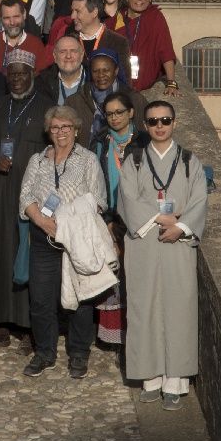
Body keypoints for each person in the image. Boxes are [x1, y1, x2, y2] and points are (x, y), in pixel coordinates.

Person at [117, 100, 208, 408]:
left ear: (174, 122)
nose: (159, 126)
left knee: (179, 307)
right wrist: (161, 218)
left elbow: (199, 199)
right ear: (145, 125)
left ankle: (176, 380)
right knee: (145, 306)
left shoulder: (188, 160)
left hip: (177, 244)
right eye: (153, 121)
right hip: (144, 242)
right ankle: (149, 377)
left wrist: (181, 227)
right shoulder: (136, 160)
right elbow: (126, 198)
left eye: (165, 120)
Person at [19, 105, 112, 378]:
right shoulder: (38, 160)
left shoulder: (87, 160)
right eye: (56, 127)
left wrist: (68, 222)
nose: (61, 132)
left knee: (80, 297)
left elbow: (98, 200)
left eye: (66, 127)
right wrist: (44, 221)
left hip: (76, 239)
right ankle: (45, 352)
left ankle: (79, 354)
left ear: (76, 130)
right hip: (43, 236)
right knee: (41, 299)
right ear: (49, 131)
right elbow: (25, 197)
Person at [0, 49, 47, 351]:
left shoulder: (45, 108)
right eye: (12, 74)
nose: (17, 79)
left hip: (31, 198)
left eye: (22, 74)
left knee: (27, 257)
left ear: (32, 75)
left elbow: (56, 150)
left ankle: (29, 328)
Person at [91, 89, 141, 359]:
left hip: (139, 219)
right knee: (113, 276)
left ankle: (136, 332)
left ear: (131, 112)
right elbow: (95, 180)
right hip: (109, 218)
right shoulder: (100, 142)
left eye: (119, 112)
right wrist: (107, 220)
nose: (114, 118)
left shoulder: (143, 141)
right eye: (109, 114)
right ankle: (113, 335)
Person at [123, 0, 179, 97]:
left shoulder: (155, 17)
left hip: (145, 86)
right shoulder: (117, 20)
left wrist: (171, 82)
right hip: (120, 85)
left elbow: (165, 50)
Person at [38, 33, 95, 130]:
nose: (68, 56)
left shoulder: (95, 80)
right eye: (62, 52)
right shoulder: (42, 83)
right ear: (55, 57)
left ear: (81, 55)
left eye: (73, 51)